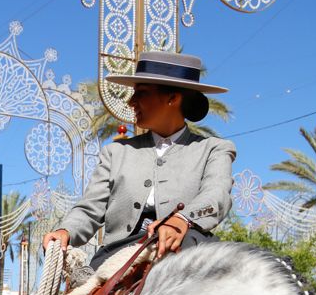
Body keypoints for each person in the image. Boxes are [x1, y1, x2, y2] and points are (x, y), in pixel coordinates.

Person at [42, 51, 234, 268]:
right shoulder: (115, 152)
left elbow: (216, 195)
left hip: (188, 250)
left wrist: (182, 219)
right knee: (85, 290)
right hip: (117, 254)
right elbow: (90, 208)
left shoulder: (214, 149)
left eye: (141, 93)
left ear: (173, 98)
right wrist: (65, 231)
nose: (131, 102)